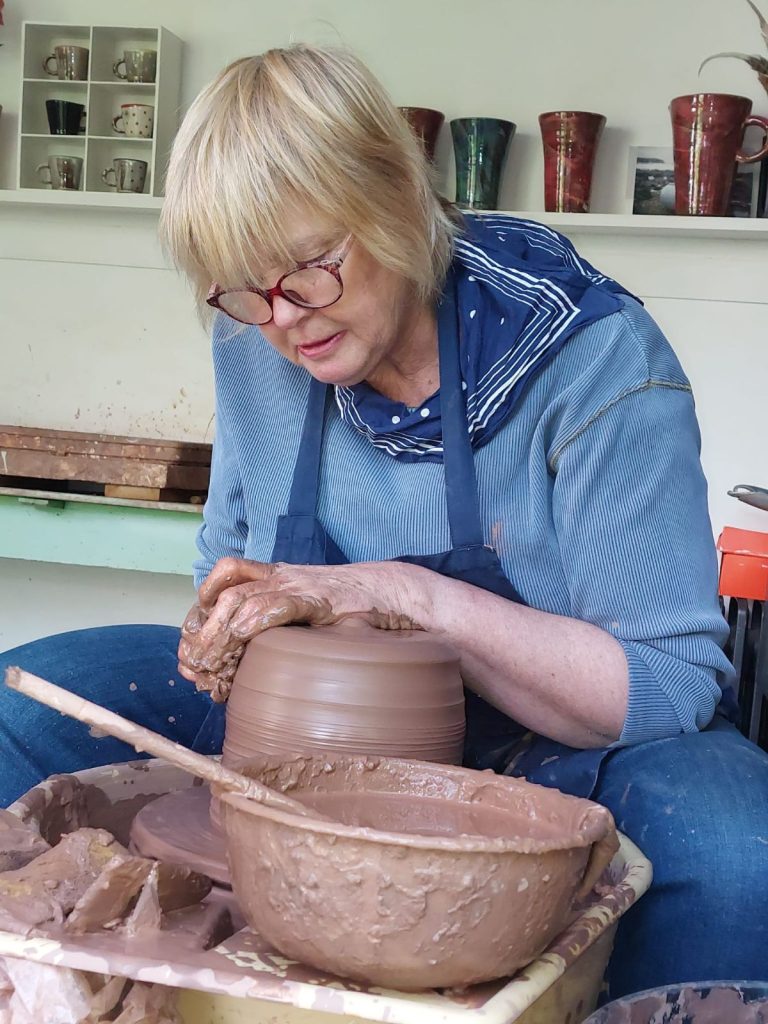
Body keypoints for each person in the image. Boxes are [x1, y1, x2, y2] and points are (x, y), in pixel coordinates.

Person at [1, 45, 767, 998]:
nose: (284, 319)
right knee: (17, 711)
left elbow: (664, 685)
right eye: (244, 287)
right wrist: (227, 625)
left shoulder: (594, 362)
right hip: (309, 747)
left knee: (742, 845)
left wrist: (404, 596)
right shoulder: (261, 336)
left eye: (310, 268)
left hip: (547, 757)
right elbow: (231, 559)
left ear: (398, 200)